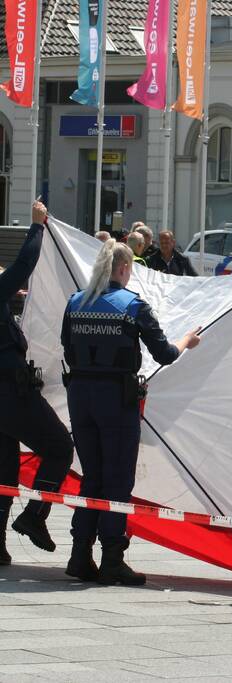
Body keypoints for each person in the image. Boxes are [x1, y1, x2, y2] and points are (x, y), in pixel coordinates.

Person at [61, 240, 201, 584]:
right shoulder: (133, 305)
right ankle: (112, 559)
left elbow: (66, 345)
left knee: (92, 476)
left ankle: (79, 555)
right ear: (124, 268)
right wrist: (187, 341)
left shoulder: (75, 302)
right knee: (118, 479)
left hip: (80, 395)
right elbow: (165, 354)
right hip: (116, 399)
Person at [0, 202, 75, 566]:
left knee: (4, 470)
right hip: (11, 394)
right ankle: (34, 515)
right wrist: (36, 228)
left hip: (5, 396)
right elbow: (24, 265)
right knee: (60, 447)